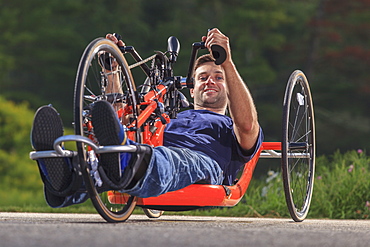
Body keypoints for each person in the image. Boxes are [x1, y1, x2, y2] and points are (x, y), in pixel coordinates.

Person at [31, 28, 263, 208]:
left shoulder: (230, 126)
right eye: (202, 78)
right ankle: (62, 182)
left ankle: (124, 159)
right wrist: (111, 69)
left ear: (229, 87)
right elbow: (121, 121)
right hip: (146, 150)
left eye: (218, 77)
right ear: (192, 90)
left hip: (203, 162)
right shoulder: (171, 118)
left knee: (171, 158)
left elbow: (248, 125)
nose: (210, 81)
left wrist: (227, 62)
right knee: (133, 138)